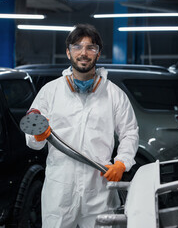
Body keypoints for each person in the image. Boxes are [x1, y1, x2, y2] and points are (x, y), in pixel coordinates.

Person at [25, 23, 139, 228]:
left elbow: (130, 132)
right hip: (60, 189)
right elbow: (32, 139)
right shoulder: (50, 92)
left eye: (90, 47)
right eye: (77, 47)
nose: (84, 53)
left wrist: (122, 162)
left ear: (98, 53)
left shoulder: (114, 94)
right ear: (68, 53)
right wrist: (38, 137)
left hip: (98, 188)